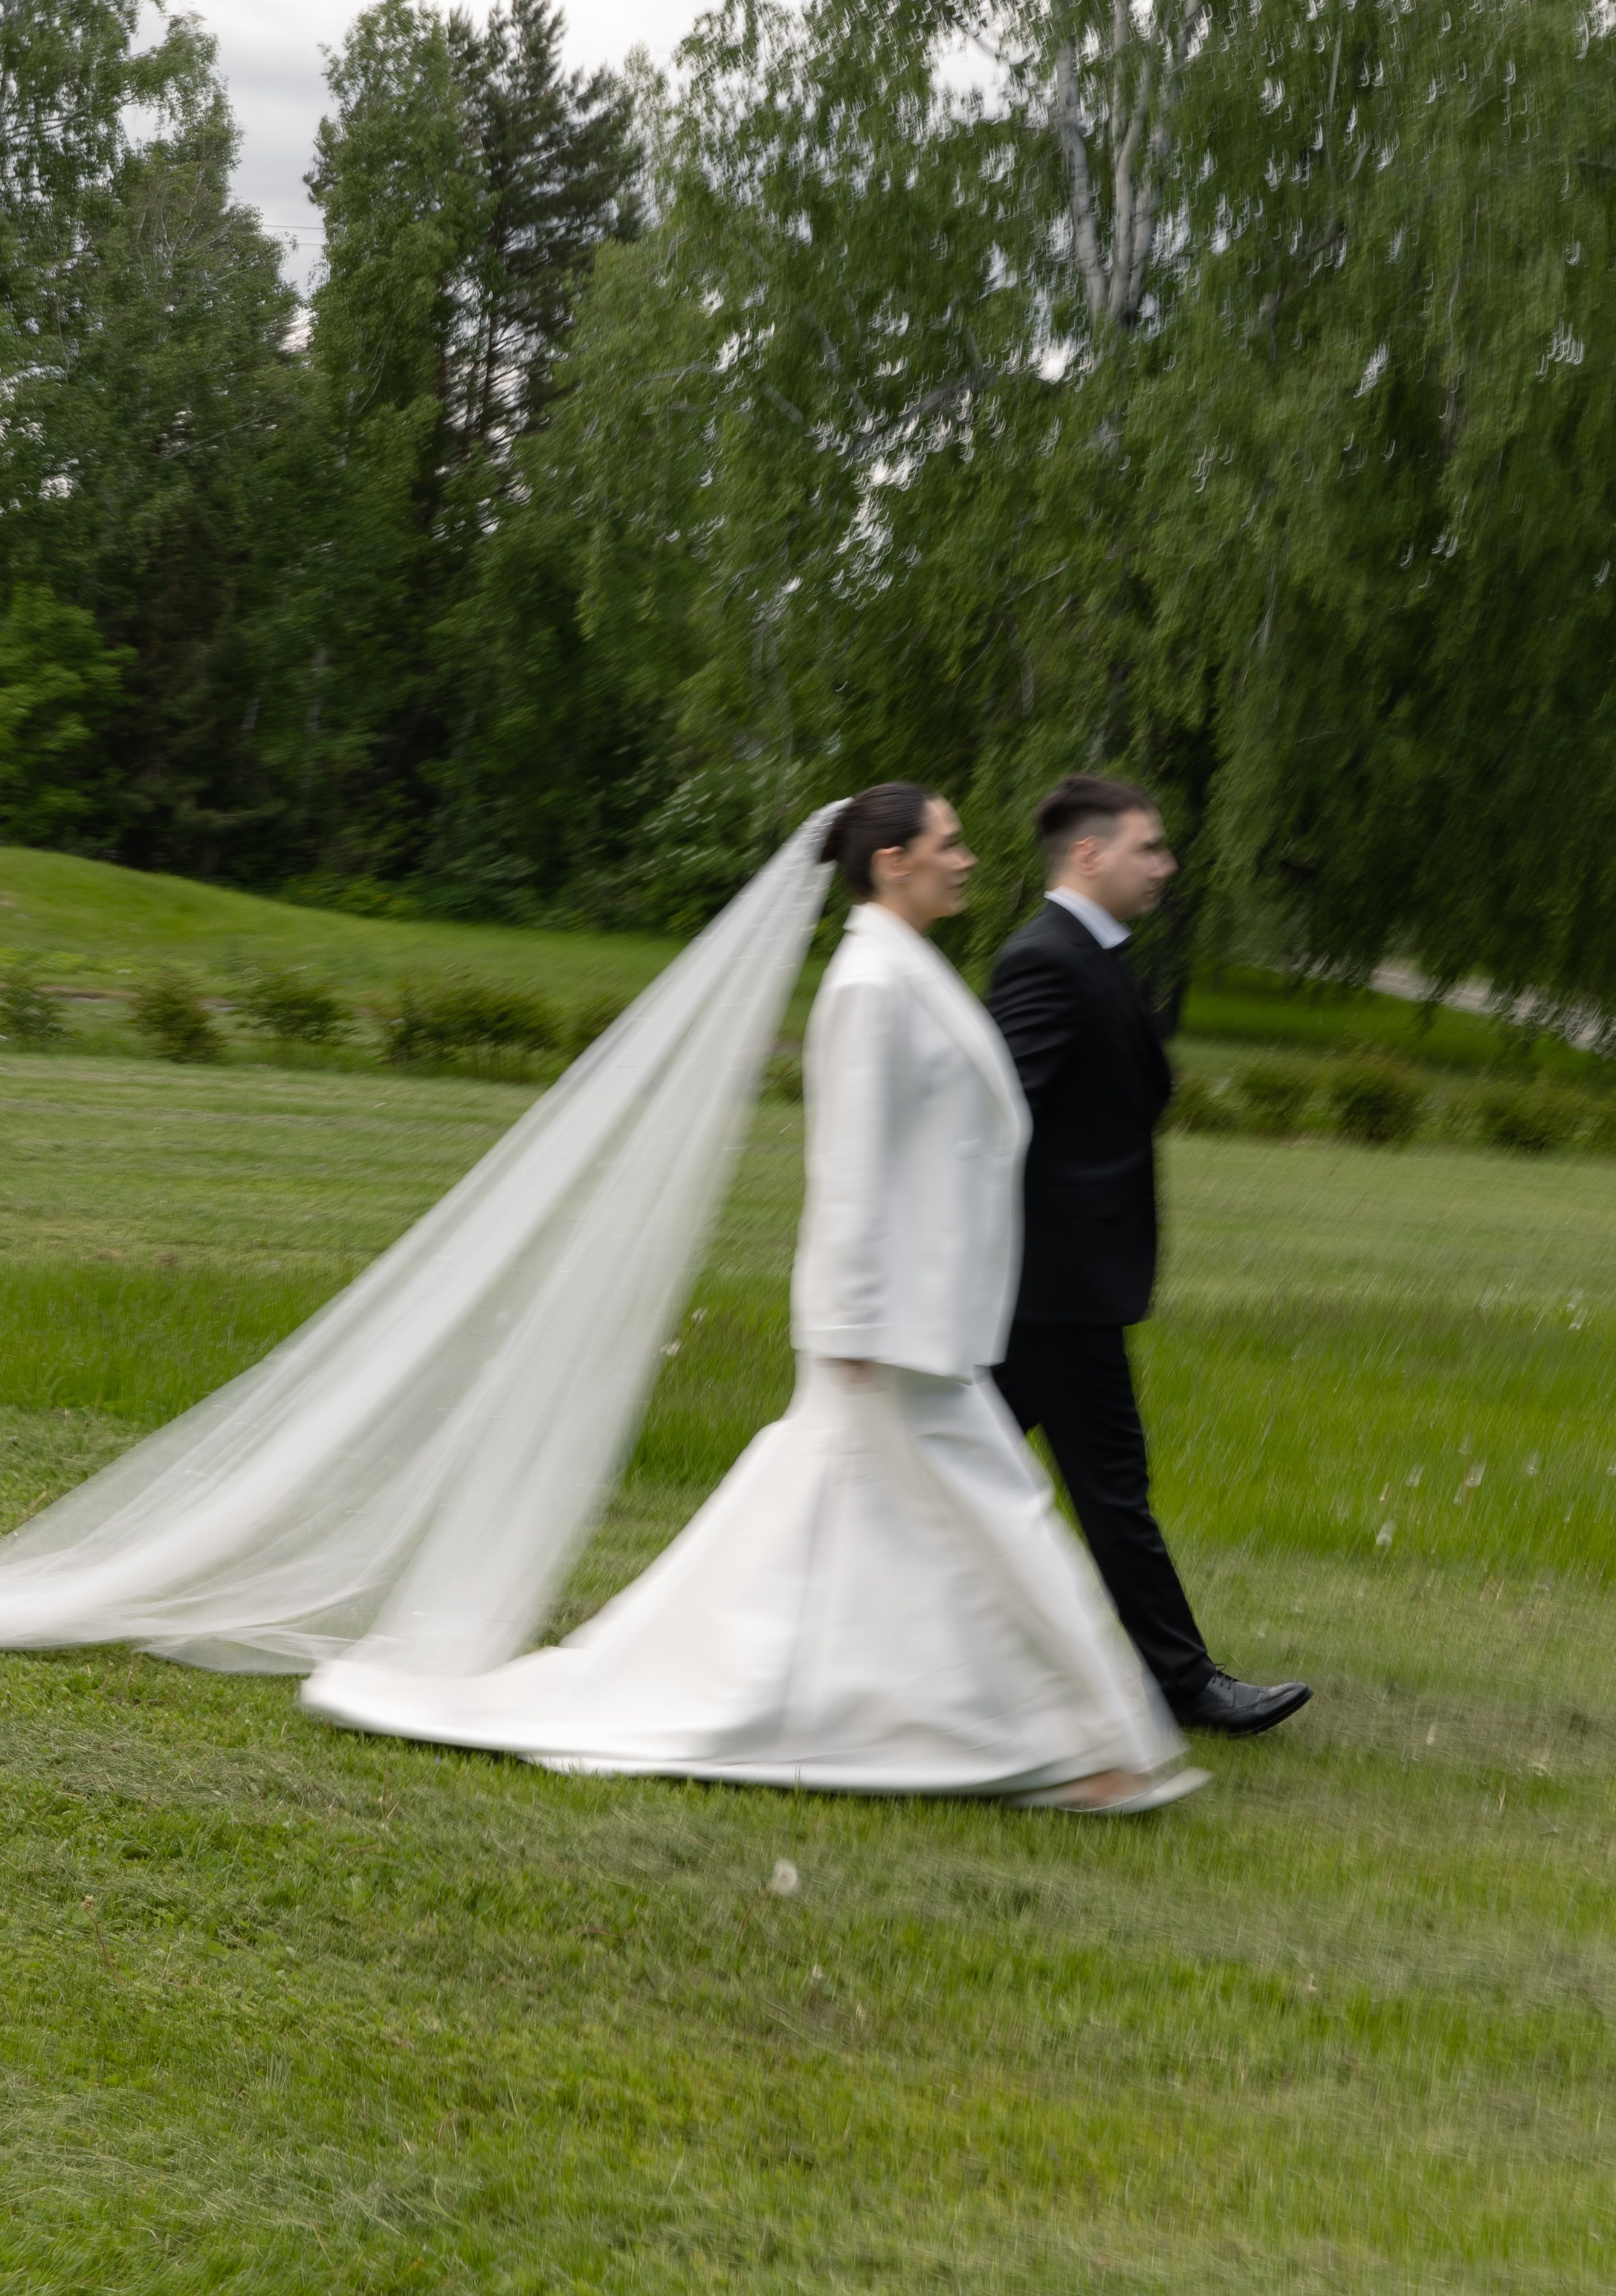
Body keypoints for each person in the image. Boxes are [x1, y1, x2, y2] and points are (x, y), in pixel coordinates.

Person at [305, 783, 1202, 1811]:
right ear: (892, 862)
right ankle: (1084, 1744)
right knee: (994, 1513)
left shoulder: (909, 967)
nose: (967, 860)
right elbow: (850, 1168)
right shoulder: (870, 982)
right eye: (948, 843)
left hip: (931, 1323)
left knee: (902, 1526)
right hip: (888, 1329)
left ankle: (1019, 1732)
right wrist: (851, 1322)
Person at [986, 773, 1310, 1739]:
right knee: (1112, 1490)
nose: (1167, 865)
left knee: (957, 1467)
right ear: (1089, 854)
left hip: (1065, 1284)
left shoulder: (1093, 954)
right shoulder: (1045, 959)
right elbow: (995, 1118)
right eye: (1149, 847)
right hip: (1053, 1290)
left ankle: (857, 1631)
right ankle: (1184, 1682)